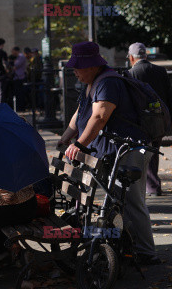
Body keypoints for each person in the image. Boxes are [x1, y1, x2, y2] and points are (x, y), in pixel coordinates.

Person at [58, 41, 160, 265]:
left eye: (78, 66)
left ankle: (146, 252)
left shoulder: (108, 82)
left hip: (130, 148)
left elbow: (99, 117)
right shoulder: (91, 83)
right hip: (114, 150)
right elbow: (81, 113)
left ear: (93, 65)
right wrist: (66, 137)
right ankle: (127, 247)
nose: (74, 71)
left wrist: (80, 145)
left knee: (132, 201)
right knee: (117, 201)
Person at [127, 42, 172, 197]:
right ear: (145, 55)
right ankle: (153, 185)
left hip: (141, 122)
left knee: (143, 152)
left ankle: (150, 186)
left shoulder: (131, 73)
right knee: (154, 151)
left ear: (132, 57)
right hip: (160, 120)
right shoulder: (160, 71)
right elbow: (168, 95)